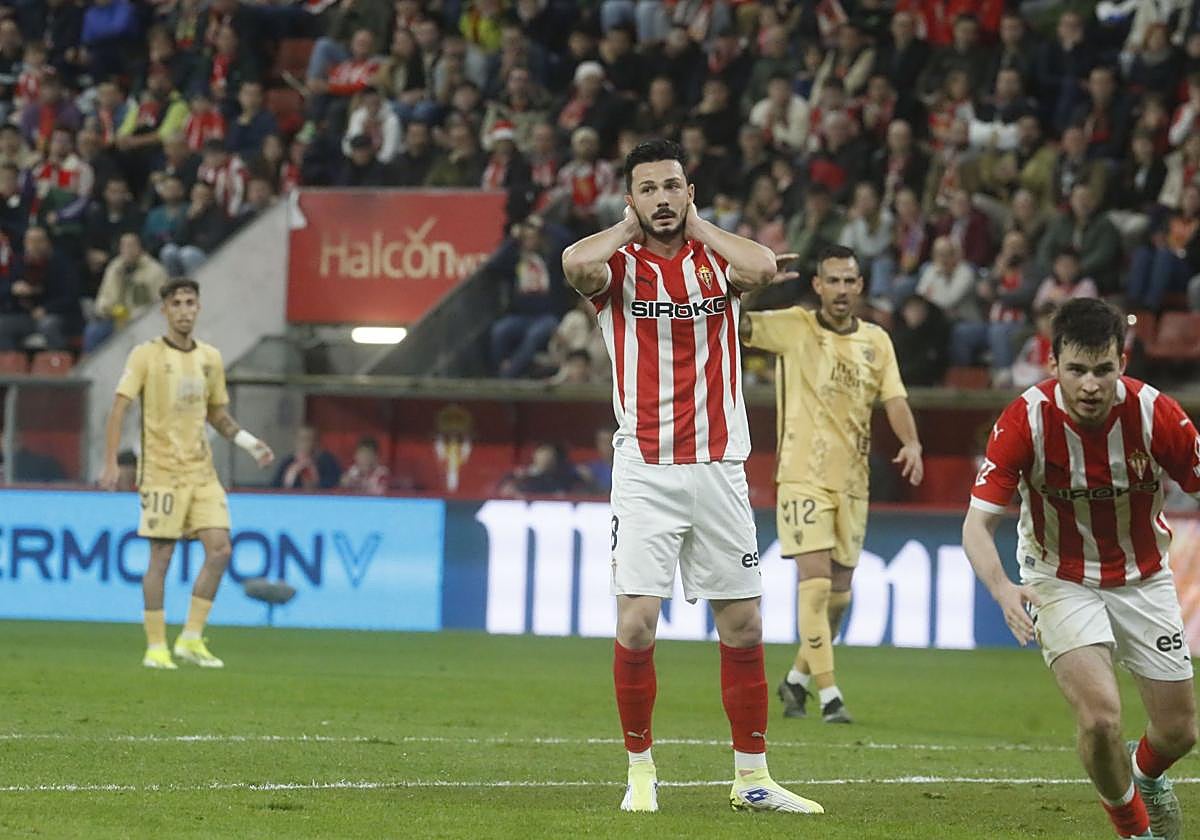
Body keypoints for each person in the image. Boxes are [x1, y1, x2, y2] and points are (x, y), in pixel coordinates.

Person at [560, 138, 822, 815]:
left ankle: (753, 778)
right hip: (645, 467)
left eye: (673, 186)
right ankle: (641, 771)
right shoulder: (616, 268)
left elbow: (764, 265)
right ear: (631, 198)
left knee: (742, 624)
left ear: (690, 190)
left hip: (718, 466)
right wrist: (627, 225)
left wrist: (698, 223)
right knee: (638, 623)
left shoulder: (714, 261)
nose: (663, 200)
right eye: (648, 189)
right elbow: (571, 262)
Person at [963, 298, 1197, 840]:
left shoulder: (1156, 414)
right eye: (1076, 370)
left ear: (1122, 361)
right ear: (1053, 365)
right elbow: (977, 526)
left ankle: (1145, 777)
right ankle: (1136, 831)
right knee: (1099, 718)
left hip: (1144, 576)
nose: (1090, 384)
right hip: (1057, 578)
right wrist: (1002, 589)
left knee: (1179, 731)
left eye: (1102, 369)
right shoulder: (1025, 419)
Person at [741, 244, 924, 724]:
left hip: (853, 483)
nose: (842, 290)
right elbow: (733, 323)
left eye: (850, 281)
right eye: (833, 281)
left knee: (839, 596)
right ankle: (831, 695)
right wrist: (756, 281)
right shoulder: (794, 327)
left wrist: (912, 443)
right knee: (816, 586)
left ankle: (796, 680)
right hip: (802, 476)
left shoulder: (877, 342)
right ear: (817, 286)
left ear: (860, 286)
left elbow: (896, 398)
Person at [98, 277, 275, 670]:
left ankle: (191, 639)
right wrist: (111, 462)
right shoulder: (145, 355)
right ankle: (156, 646)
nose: (183, 310)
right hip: (161, 471)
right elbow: (119, 407)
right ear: (164, 311)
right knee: (161, 556)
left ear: (198, 307)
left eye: (190, 302)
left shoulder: (209, 358)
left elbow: (218, 414)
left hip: (201, 471)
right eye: (175, 303)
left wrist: (249, 443)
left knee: (221, 549)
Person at [272, 424, 342, 490]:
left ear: (316, 442)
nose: (305, 443)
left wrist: (316, 486)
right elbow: (275, 485)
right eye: (302, 439)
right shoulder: (287, 462)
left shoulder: (327, 461)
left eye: (309, 439)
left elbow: (336, 482)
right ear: (296, 441)